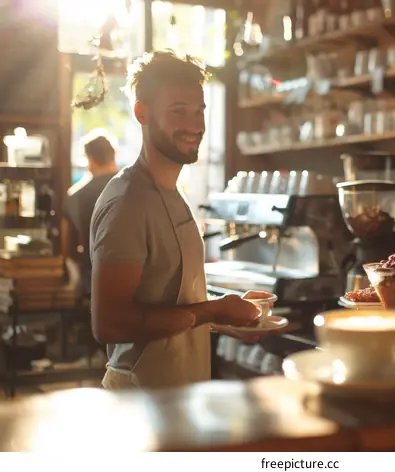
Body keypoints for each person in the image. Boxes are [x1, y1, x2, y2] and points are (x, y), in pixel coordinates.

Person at [89, 50, 269, 390]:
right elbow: (109, 324)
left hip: (178, 391)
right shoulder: (127, 201)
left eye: (199, 111)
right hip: (139, 396)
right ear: (141, 112)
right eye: (178, 111)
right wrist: (212, 311)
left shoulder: (174, 193)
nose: (195, 125)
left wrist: (227, 318)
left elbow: (174, 307)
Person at [64, 129, 119, 299]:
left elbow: (67, 246)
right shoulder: (135, 187)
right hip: (137, 274)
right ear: (113, 155)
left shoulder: (76, 196)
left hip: (93, 275)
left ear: (90, 160)